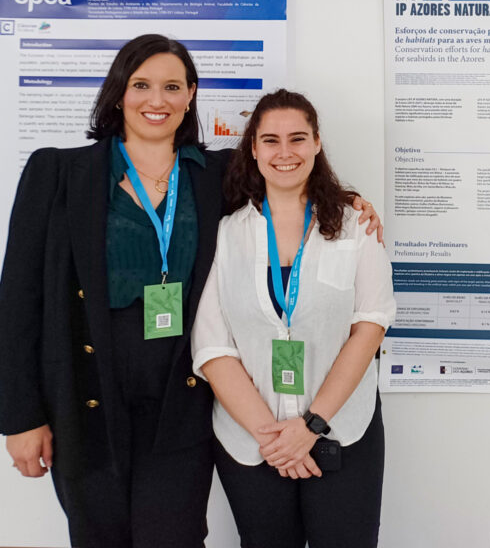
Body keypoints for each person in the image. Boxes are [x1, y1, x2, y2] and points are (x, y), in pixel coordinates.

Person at [0, 34, 381, 548]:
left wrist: (351, 202)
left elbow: (289, 182)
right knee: (98, 536)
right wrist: (21, 418)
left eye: (172, 87)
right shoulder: (59, 172)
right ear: (118, 92)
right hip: (88, 396)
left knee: (174, 537)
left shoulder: (215, 174)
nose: (156, 100)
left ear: (190, 95)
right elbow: (18, 302)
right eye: (141, 85)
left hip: (179, 400)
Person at [192, 89, 395, 548]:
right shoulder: (226, 234)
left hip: (342, 433)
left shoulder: (356, 227)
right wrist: (277, 439)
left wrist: (311, 427)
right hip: (253, 443)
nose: (285, 152)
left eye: (298, 138)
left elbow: (370, 327)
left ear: (317, 143)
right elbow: (213, 347)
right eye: (271, 140)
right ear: (253, 149)